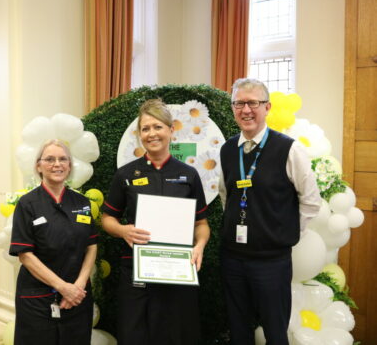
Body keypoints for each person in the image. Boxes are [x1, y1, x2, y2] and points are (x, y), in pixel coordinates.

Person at [218, 78, 322, 345]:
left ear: (267, 107)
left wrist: (282, 232)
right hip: (233, 258)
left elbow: (311, 201)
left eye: (253, 102)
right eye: (239, 103)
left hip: (271, 262)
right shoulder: (228, 149)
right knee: (238, 330)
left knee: (275, 333)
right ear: (233, 108)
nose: (246, 110)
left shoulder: (289, 149)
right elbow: (225, 195)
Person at [101, 99, 210, 345]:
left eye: (158, 127)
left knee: (177, 334)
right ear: (139, 135)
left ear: (171, 131)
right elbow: (107, 218)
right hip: (137, 272)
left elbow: (201, 223)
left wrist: (200, 245)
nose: (152, 134)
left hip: (178, 270)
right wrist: (122, 230)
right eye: (146, 128)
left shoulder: (189, 175)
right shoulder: (126, 175)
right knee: (136, 334)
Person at [9, 139, 98, 345]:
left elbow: (91, 246)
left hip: (77, 296)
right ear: (39, 166)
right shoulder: (27, 204)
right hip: (38, 298)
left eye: (62, 159)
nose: (57, 164)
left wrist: (78, 285)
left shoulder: (82, 203)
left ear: (69, 165)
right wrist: (62, 287)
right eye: (49, 159)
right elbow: (25, 255)